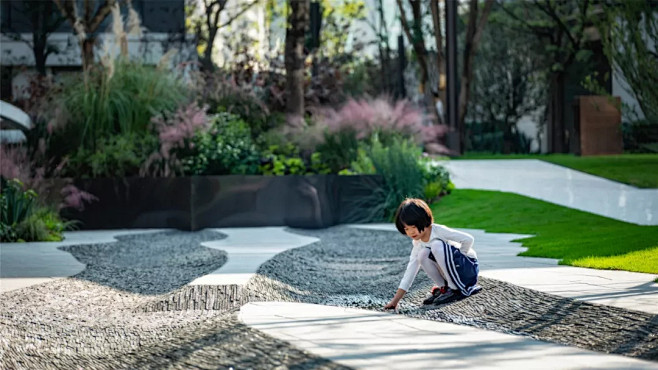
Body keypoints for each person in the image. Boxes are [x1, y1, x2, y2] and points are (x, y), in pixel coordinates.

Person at [384, 198, 481, 310]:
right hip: (453, 273)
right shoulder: (418, 243)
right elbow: (411, 270)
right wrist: (395, 301)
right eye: (406, 229)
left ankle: (454, 289)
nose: (410, 232)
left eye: (414, 227)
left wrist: (461, 256)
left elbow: (468, 239)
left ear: (423, 220)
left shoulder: (438, 231)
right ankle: (444, 289)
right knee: (423, 254)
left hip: (468, 269)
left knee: (436, 245)